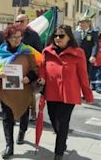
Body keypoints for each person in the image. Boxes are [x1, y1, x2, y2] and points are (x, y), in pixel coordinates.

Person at [39, 25, 94, 160]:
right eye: (56, 35)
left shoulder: (78, 52)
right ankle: (62, 140)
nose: (58, 38)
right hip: (51, 93)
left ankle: (58, 153)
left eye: (61, 35)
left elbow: (83, 75)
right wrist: (42, 78)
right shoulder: (47, 51)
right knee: (54, 121)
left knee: (63, 123)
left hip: (68, 94)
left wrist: (87, 94)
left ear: (69, 37)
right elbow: (42, 68)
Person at [0, 25, 39, 159]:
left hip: (23, 90)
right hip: (6, 90)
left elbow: (35, 69)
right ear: (7, 38)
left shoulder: (27, 51)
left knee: (24, 114)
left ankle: (22, 130)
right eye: (14, 37)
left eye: (20, 36)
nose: (17, 39)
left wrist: (29, 77)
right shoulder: (1, 51)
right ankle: (9, 145)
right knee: (7, 118)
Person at [15, 14, 42, 121]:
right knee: (17, 92)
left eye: (22, 21)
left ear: (27, 22)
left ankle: (32, 112)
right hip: (16, 67)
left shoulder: (34, 35)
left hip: (29, 68)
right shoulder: (13, 34)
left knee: (30, 92)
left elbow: (39, 52)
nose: (19, 23)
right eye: (17, 21)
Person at [74, 18, 99, 89]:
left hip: (87, 58)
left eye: (83, 22)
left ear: (88, 23)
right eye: (80, 22)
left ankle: (85, 91)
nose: (81, 24)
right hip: (76, 57)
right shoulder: (75, 33)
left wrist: (93, 55)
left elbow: (95, 45)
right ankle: (76, 91)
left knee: (86, 74)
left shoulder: (93, 33)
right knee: (75, 73)